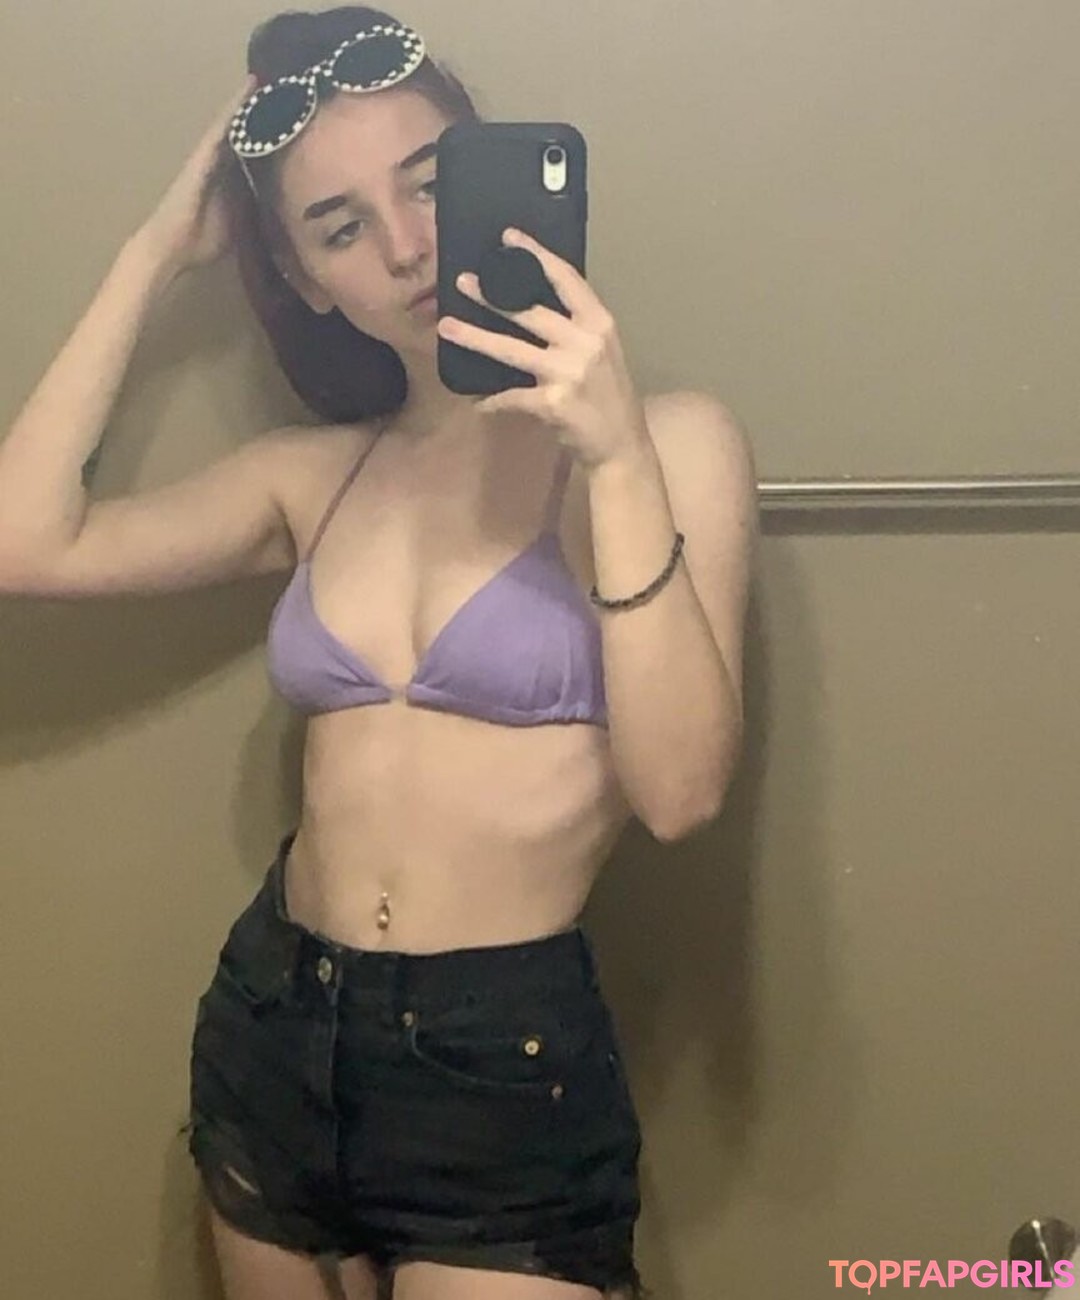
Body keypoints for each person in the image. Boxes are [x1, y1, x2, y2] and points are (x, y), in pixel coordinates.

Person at [0, 7, 757, 1298]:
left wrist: (617, 459)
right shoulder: (318, 477)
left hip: (497, 1060)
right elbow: (25, 543)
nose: (408, 247)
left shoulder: (669, 442)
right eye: (340, 227)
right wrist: (156, 252)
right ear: (305, 279)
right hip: (275, 1023)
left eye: (431, 186)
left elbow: (680, 793)